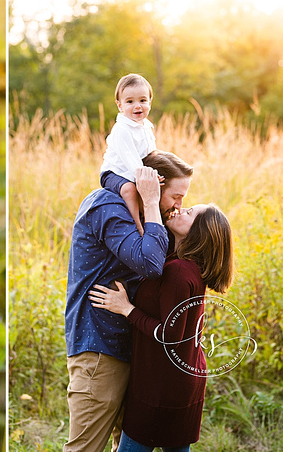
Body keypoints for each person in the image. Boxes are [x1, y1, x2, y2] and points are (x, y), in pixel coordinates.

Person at [65, 150, 194, 452]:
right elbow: (150, 263)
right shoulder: (108, 207)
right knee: (86, 448)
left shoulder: (149, 217)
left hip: (132, 346)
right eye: (176, 197)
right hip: (99, 345)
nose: (179, 206)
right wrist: (150, 202)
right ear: (153, 186)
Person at [89, 204, 234, 452]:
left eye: (189, 213)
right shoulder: (180, 263)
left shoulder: (178, 271)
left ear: (199, 232)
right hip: (178, 379)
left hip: (162, 387)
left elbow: (170, 336)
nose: (180, 211)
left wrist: (126, 309)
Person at [100, 73, 157, 237]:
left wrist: (156, 171)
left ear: (150, 102)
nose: (137, 106)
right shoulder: (122, 129)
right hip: (115, 173)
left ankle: (152, 218)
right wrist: (145, 178)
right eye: (130, 102)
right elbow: (130, 159)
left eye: (143, 100)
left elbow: (151, 153)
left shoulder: (146, 126)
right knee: (130, 189)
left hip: (138, 171)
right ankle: (138, 227)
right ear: (120, 106)